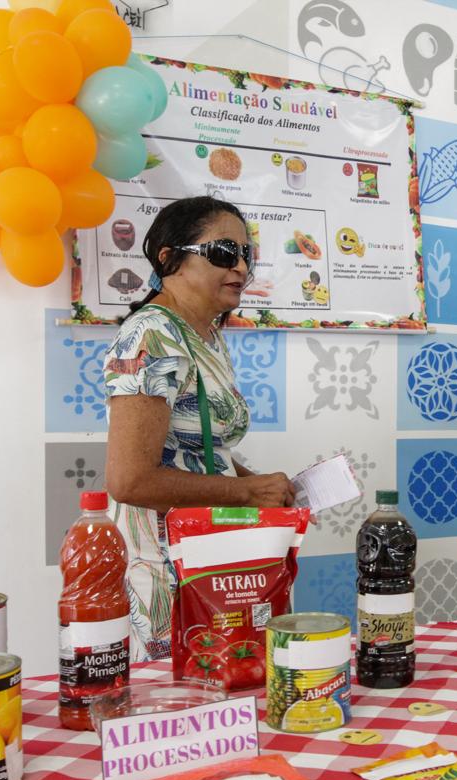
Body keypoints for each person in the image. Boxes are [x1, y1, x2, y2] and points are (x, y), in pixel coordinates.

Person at [103, 196, 295, 661]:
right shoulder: (153, 335)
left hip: (209, 563)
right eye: (224, 253)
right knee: (177, 712)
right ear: (170, 259)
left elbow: (197, 448)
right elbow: (129, 480)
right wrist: (247, 496)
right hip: (168, 574)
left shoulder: (204, 333)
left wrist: (258, 485)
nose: (242, 268)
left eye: (248, 255)